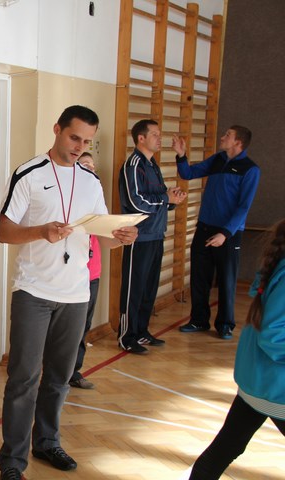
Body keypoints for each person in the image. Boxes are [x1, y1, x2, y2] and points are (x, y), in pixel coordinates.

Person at [0, 105, 138, 480]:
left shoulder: (90, 182)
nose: (79, 147)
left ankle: (47, 442)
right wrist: (40, 231)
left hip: (76, 294)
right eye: (75, 137)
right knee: (23, 379)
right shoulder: (28, 173)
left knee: (59, 377)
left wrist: (122, 237)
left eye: (87, 141)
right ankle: (12, 460)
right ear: (57, 129)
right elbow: (4, 232)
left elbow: (104, 238)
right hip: (33, 291)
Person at [188, 219, 285, 479]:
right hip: (275, 388)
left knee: (223, 450)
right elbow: (274, 335)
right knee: (222, 451)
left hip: (258, 383)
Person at [175, 126, 260, 339]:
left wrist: (225, 233)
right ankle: (198, 320)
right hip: (204, 228)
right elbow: (187, 173)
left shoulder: (250, 169)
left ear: (238, 142)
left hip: (228, 234)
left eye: (227, 135)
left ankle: (225, 325)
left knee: (226, 280)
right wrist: (181, 155)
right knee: (199, 277)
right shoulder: (217, 159)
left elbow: (244, 206)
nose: (222, 137)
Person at [118, 120, 187, 354]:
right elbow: (136, 201)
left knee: (149, 288)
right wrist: (166, 199)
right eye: (155, 134)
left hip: (156, 234)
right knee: (134, 289)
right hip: (138, 237)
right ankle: (126, 336)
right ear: (141, 138)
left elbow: (157, 198)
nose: (160, 138)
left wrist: (172, 198)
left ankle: (141, 331)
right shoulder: (133, 165)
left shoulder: (152, 164)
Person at [68, 152, 99, 390]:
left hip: (93, 272)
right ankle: (60, 370)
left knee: (84, 326)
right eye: (85, 164)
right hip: (72, 273)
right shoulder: (69, 200)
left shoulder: (96, 198)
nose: (90, 169)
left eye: (92, 166)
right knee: (69, 327)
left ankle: (74, 371)